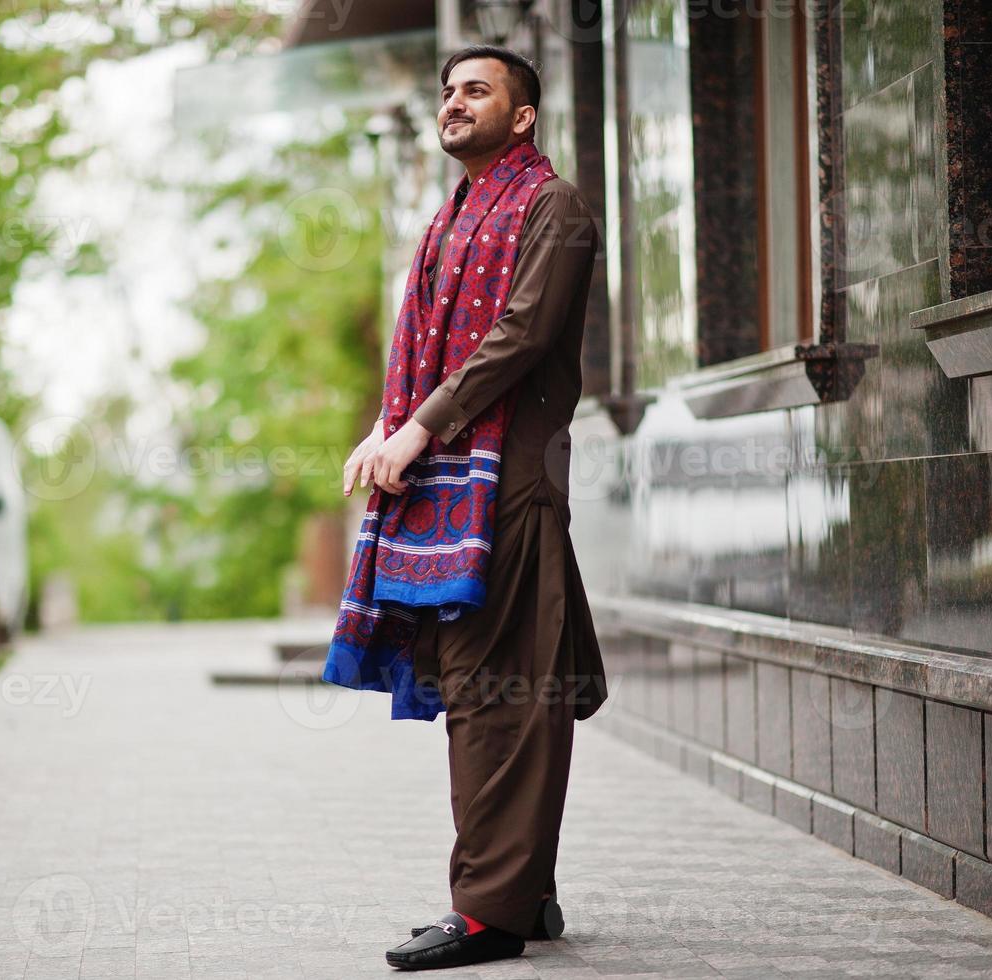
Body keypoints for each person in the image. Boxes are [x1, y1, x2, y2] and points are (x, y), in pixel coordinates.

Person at [326, 43, 609, 972]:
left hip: (505, 477)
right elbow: (426, 336)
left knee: (498, 696)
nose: (454, 103)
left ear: (521, 117)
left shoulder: (550, 204)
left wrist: (420, 432)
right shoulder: (453, 214)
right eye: (448, 91)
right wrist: (385, 422)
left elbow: (518, 334)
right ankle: (523, 887)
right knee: (497, 686)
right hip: (462, 482)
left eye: (476, 91)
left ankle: (487, 913)